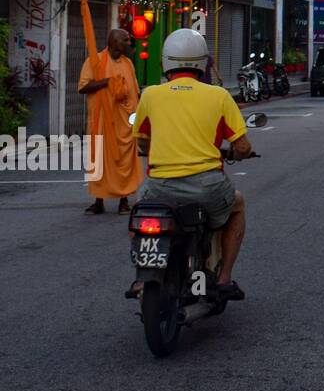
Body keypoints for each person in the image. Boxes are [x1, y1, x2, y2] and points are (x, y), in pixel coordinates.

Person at [131, 28, 254, 299]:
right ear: (203, 62)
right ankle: (223, 278)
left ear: (166, 61)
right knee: (238, 205)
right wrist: (235, 153)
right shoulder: (219, 96)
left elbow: (141, 142)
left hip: (159, 187)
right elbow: (243, 147)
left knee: (139, 218)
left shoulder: (150, 95)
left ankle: (143, 277)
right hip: (207, 186)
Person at [78, 26, 143, 215]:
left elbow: (135, 92)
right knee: (99, 161)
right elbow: (83, 87)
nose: (129, 43)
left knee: (125, 163)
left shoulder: (128, 64)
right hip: (102, 122)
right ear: (114, 42)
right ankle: (99, 201)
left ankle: (124, 201)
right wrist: (107, 82)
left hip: (125, 122)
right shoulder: (95, 61)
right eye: (126, 40)